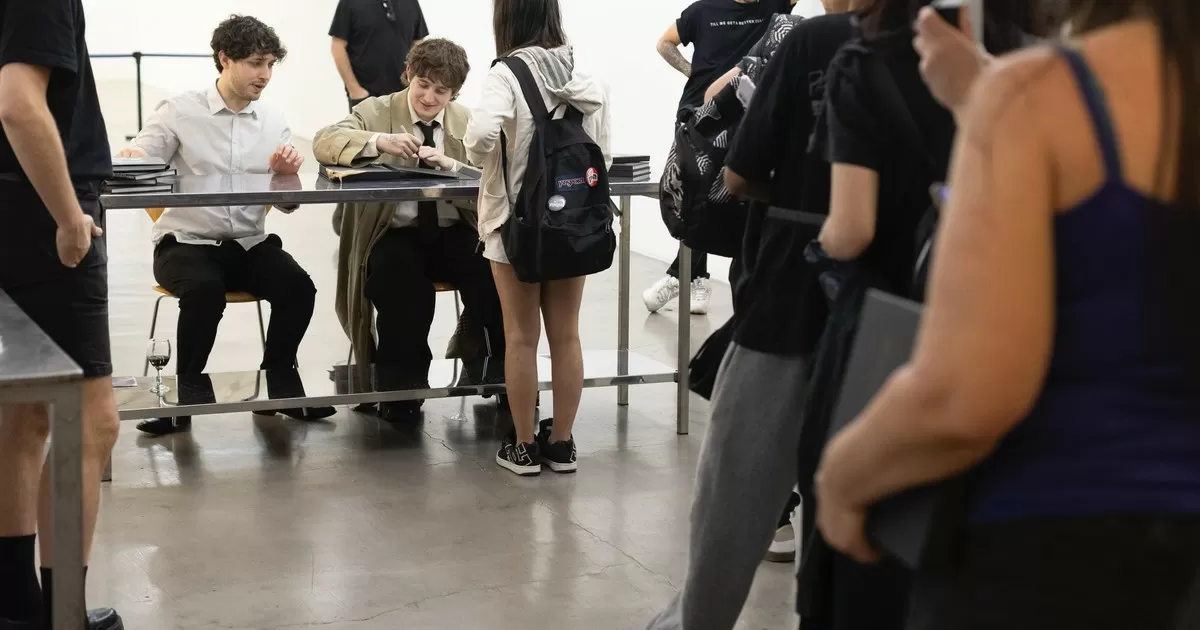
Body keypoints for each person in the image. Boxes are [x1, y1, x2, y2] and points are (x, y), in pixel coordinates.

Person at [816, 1, 1200, 628]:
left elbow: (964, 397)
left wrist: (840, 476)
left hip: (1051, 558)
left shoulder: (1040, 95)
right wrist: (983, 97)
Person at [643, 3, 860, 629]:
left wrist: (795, 192)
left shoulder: (806, 38)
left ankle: (774, 522)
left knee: (739, 472)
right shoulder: (959, 47)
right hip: (893, 302)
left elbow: (737, 174)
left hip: (789, 280)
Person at [117, 15, 334, 437]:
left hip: (248, 244)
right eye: (255, 63)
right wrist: (134, 156)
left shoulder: (273, 120)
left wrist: (284, 178)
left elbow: (288, 204)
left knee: (298, 288)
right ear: (225, 59)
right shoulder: (180, 110)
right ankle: (182, 402)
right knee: (204, 291)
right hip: (185, 243)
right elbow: (143, 156)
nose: (265, 75)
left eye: (270, 64)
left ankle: (277, 390)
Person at [0, 1, 124, 629]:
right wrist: (68, 216)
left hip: (10, 209)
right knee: (88, 423)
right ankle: (64, 615)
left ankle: (18, 608)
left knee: (20, 413)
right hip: (39, 214)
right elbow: (19, 104)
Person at [314, 38, 505, 422]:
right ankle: (401, 391)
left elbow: (497, 176)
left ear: (455, 93)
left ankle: (500, 378)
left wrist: (453, 167)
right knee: (401, 287)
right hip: (394, 231)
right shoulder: (375, 111)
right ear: (408, 75)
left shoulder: (467, 123)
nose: (430, 98)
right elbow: (324, 142)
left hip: (455, 229)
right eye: (423, 84)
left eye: (441, 91)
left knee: (497, 275)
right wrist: (378, 141)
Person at [465, 0, 611, 476]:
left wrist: (490, 157)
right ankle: (562, 444)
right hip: (573, 227)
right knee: (566, 335)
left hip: (516, 228)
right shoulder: (580, 75)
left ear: (506, 17)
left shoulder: (505, 75)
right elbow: (603, 154)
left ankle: (524, 447)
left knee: (521, 338)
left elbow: (478, 138)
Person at [643, 0, 798, 315]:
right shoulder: (702, 11)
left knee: (732, 201)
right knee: (695, 199)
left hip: (742, 116)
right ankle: (695, 277)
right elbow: (664, 43)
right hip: (698, 116)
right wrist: (693, 72)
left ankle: (683, 275)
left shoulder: (773, 6)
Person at [330, 0, 428, 111]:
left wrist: (413, 84)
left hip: (404, 95)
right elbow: (337, 47)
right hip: (365, 98)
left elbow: (418, 42)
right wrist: (355, 90)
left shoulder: (411, 2)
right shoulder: (349, 3)